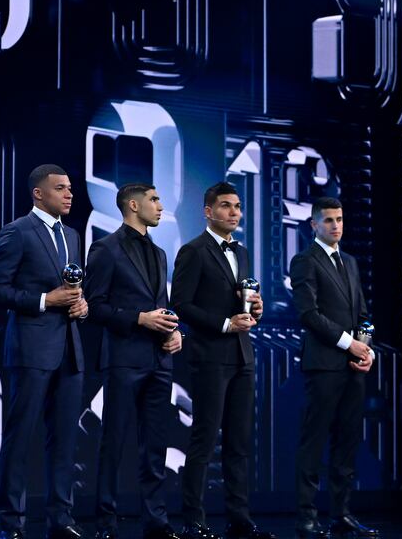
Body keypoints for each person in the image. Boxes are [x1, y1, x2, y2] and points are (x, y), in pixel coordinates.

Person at [0, 164, 89, 539]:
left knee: (64, 440)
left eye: (70, 188)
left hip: (70, 350)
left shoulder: (73, 236)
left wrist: (82, 305)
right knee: (20, 437)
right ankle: (11, 523)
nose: (69, 194)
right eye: (60, 188)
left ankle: (60, 519)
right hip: (31, 349)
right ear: (38, 193)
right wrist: (47, 299)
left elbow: (76, 289)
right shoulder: (17, 232)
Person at [173, 183, 273, 539]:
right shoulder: (193, 251)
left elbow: (244, 296)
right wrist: (224, 323)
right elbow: (182, 304)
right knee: (204, 439)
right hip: (210, 356)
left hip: (242, 355)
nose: (234, 213)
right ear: (207, 211)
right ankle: (193, 519)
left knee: (239, 442)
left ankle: (239, 518)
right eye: (226, 206)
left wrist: (254, 307)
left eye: (238, 207)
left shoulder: (242, 252)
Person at [86, 183, 182, 539]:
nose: (160, 206)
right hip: (124, 359)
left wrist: (172, 331)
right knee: (114, 443)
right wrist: (139, 319)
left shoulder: (159, 254)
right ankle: (106, 524)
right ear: (132, 204)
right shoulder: (105, 249)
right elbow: (94, 307)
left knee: (155, 446)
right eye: (154, 200)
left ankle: (156, 522)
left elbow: (161, 304)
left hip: (158, 361)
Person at [290, 198, 378, 539]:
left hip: (354, 367)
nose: (336, 226)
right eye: (328, 220)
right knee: (314, 442)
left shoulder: (351, 262)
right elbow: (308, 314)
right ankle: (307, 518)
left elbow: (364, 314)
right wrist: (349, 343)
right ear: (314, 225)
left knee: (347, 442)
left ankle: (342, 514)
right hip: (324, 366)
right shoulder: (304, 261)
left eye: (339, 219)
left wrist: (366, 347)